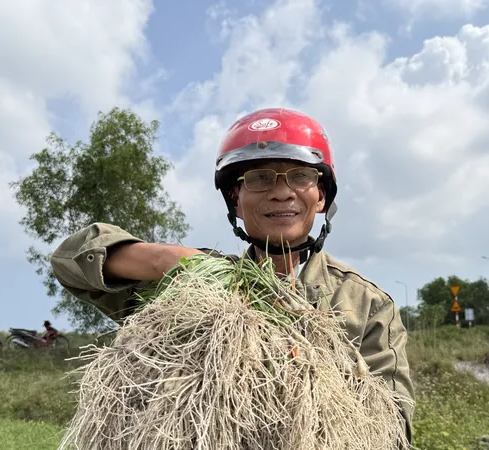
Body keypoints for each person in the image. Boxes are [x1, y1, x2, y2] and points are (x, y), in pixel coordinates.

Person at [49, 107, 415, 444]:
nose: (281, 193)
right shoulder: (193, 285)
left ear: (321, 196)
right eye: (259, 179)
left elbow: (394, 429)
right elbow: (69, 261)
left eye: (300, 176)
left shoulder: (366, 304)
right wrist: (166, 260)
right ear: (235, 200)